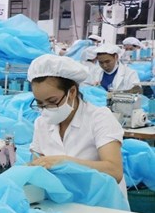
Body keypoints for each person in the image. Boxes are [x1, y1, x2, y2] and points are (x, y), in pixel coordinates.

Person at [27, 54, 126, 199]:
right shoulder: (41, 123)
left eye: (52, 101)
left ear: (72, 92)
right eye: (40, 103)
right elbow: (38, 163)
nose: (46, 108)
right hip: (61, 202)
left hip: (101, 203)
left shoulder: (99, 118)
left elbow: (114, 171)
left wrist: (67, 162)